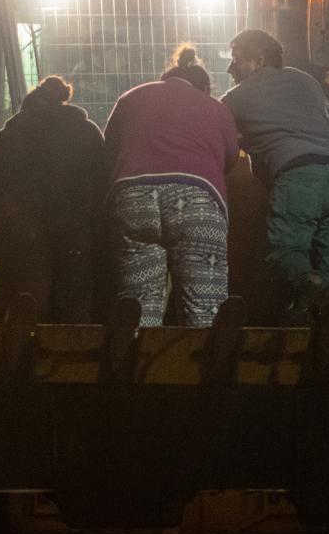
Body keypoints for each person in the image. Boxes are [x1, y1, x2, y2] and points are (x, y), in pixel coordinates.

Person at [221, 29, 329, 320]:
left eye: (236, 59)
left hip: (297, 174)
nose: (230, 67)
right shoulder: (305, 80)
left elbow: (222, 143)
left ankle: (310, 284)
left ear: (257, 60)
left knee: (284, 250)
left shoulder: (234, 98)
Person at [102, 48, 239, 326]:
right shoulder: (215, 107)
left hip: (132, 196)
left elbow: (110, 148)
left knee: (139, 304)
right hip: (196, 198)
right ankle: (202, 368)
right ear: (203, 86)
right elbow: (230, 158)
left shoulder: (131, 97)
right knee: (204, 309)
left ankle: (136, 364)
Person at [0, 76, 107, 322]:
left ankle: (24, 357)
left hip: (21, 236)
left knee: (27, 306)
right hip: (75, 233)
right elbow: (102, 184)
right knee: (74, 305)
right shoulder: (88, 133)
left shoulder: (3, 141)